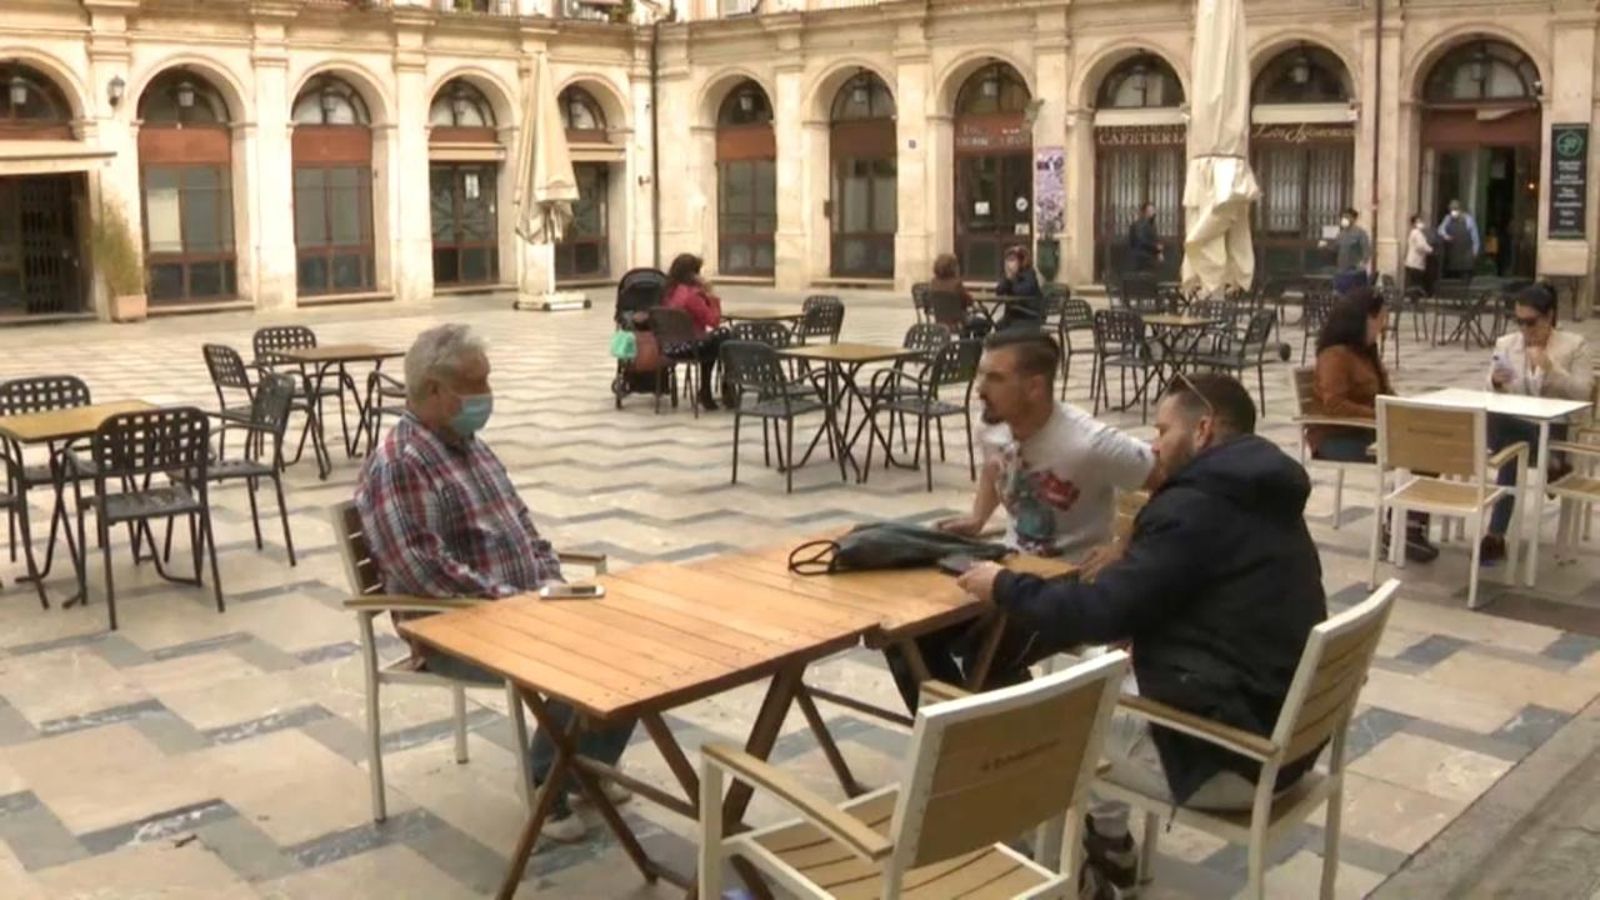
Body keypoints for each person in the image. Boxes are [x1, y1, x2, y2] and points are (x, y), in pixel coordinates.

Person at [956, 373, 1327, 894]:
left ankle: (1072, 882)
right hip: (1286, 736)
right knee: (1102, 684)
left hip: (1229, 756)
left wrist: (1005, 587)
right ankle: (1109, 849)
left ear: (1202, 431)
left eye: (1162, 429)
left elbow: (1101, 613)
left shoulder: (1197, 505)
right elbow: (1188, 592)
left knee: (1030, 734)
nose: (1152, 444)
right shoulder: (1261, 493)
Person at [354, 324, 635, 844]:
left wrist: (552, 583)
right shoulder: (401, 463)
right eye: (473, 384)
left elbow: (522, 524)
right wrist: (517, 603)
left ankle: (580, 769)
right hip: (454, 625)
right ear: (433, 390)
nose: (485, 396)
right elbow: (421, 567)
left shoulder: (469, 446)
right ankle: (545, 784)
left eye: (487, 382)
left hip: (519, 606)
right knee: (590, 653)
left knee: (629, 636)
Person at [886, 330, 1155, 710]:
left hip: (1068, 585)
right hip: (1007, 569)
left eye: (994, 378)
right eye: (981, 375)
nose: (979, 389)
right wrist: (979, 517)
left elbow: (1176, 481)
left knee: (989, 650)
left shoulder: (1089, 442)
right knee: (907, 634)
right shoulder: (993, 425)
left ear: (1034, 386)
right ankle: (958, 743)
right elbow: (996, 469)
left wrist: (1124, 546)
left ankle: (1002, 749)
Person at [1310, 288, 1437, 562]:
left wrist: (1404, 410)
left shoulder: (1367, 353)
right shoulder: (1335, 355)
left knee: (1431, 443)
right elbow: (1334, 405)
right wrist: (1380, 416)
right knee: (1418, 452)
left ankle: (1408, 526)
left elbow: (1385, 393)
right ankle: (1399, 528)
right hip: (1339, 438)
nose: (1384, 326)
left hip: (1370, 430)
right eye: (1380, 319)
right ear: (1364, 319)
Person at [1480, 283, 1595, 564]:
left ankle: (1496, 535)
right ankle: (1553, 464)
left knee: (1509, 450)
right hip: (1517, 426)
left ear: (1549, 317)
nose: (1525, 330)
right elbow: (1489, 388)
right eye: (1519, 321)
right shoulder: (1508, 344)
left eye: (1531, 322)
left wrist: (1551, 369)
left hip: (1556, 428)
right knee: (1498, 420)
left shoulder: (1574, 345)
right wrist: (1495, 381)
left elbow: (1584, 391)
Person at [662, 252, 727, 410]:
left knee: (714, 343)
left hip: (668, 346)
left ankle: (708, 390)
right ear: (693, 275)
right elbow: (714, 321)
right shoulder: (692, 297)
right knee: (723, 336)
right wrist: (711, 296)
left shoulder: (669, 292)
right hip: (689, 347)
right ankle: (724, 386)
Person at [927, 252, 986, 338]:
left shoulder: (933, 283)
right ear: (953, 268)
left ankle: (966, 344)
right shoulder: (956, 284)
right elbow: (968, 301)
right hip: (959, 323)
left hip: (940, 322)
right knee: (983, 323)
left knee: (969, 324)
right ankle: (973, 347)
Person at [993, 244, 1044, 332]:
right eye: (1007, 260)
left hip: (1028, 316)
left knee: (1001, 328)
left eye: (1012, 260)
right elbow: (999, 291)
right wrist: (1007, 279)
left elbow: (1023, 291)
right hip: (1013, 315)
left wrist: (1012, 280)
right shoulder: (1010, 276)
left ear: (1021, 261)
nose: (1009, 264)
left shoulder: (1029, 274)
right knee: (998, 325)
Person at [1321, 207, 1370, 294]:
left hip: (1355, 273)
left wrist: (1362, 263)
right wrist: (1325, 245)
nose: (1344, 219)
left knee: (1355, 297)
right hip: (1342, 271)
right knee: (1341, 296)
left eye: (1347, 217)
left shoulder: (1360, 233)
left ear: (1354, 219)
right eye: (1343, 217)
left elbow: (1366, 250)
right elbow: (1335, 248)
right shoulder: (1341, 234)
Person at [1437, 200, 1480, 281]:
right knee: (1451, 278)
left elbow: (1475, 238)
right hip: (1453, 253)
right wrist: (1446, 236)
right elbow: (1440, 230)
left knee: (1464, 278)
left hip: (1466, 253)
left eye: (1455, 210)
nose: (1453, 212)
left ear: (1460, 210)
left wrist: (1475, 252)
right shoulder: (1448, 218)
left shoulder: (1468, 220)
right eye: (1451, 210)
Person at [1126, 202, 1163, 274]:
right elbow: (1141, 240)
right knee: (1144, 278)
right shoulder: (1141, 225)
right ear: (1146, 212)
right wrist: (1156, 247)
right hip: (1143, 257)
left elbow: (1154, 238)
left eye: (1154, 210)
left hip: (1146, 256)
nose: (1154, 213)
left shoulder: (1150, 224)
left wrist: (1158, 251)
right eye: (1151, 210)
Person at [1404, 214, 1434, 296]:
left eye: (1421, 221)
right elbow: (1421, 246)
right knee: (1415, 284)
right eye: (1418, 222)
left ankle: (1413, 300)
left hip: (1414, 262)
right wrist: (1431, 250)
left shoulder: (1416, 233)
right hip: (1415, 263)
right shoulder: (1416, 233)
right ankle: (1414, 301)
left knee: (1414, 283)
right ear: (1413, 224)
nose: (1421, 223)